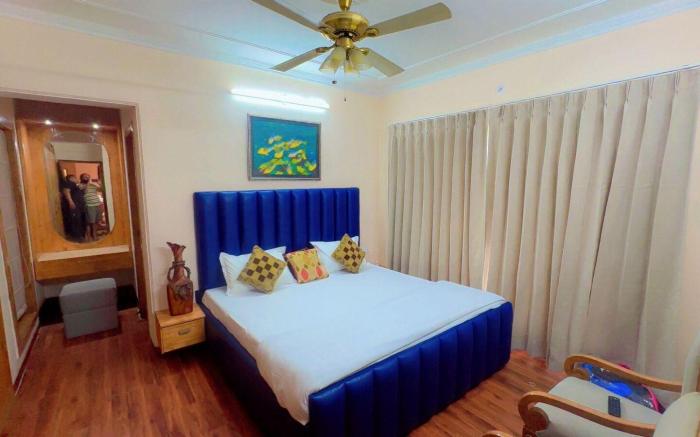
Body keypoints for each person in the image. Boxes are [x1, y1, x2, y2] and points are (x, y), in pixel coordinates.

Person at [60, 174, 86, 241]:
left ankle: (79, 236)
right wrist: (70, 201)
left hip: (79, 207)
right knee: (76, 221)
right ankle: (77, 237)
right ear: (71, 178)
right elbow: (66, 191)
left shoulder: (74, 185)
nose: (76, 179)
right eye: (75, 178)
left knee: (79, 221)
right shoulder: (70, 183)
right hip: (75, 207)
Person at [80, 173, 102, 242]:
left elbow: (100, 189)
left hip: (97, 204)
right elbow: (84, 190)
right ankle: (89, 237)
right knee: (89, 222)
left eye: (88, 176)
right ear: (81, 178)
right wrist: (89, 183)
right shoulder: (80, 185)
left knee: (96, 221)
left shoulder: (93, 184)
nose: (87, 177)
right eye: (85, 177)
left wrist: (99, 184)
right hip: (89, 206)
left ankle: (95, 235)